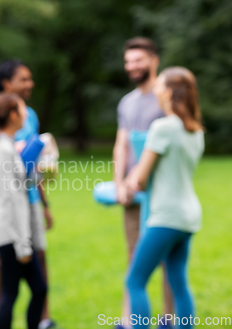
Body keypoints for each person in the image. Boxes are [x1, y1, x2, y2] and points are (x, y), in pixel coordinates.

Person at [0, 59, 56, 329]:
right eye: (24, 79)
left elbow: (26, 170)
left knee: (36, 271)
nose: (29, 84)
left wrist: (43, 198)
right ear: (7, 83)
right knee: (8, 276)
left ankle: (42, 321)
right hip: (7, 214)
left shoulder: (27, 116)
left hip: (26, 204)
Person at [126, 67, 204, 329]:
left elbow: (140, 179)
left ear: (170, 93)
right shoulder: (195, 130)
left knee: (135, 281)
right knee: (178, 283)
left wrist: (129, 182)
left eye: (160, 86)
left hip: (166, 217)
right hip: (188, 216)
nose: (156, 91)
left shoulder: (163, 127)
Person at [113, 37, 172, 329]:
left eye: (137, 60)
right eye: (128, 62)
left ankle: (170, 318)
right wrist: (119, 184)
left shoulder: (168, 96)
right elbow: (121, 145)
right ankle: (128, 321)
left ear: (153, 60)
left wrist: (138, 177)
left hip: (162, 193)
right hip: (132, 195)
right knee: (134, 255)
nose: (131, 67)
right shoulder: (127, 102)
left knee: (165, 258)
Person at [0, 92, 47, 329]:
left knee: (37, 290)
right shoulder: (3, 150)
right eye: (22, 110)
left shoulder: (6, 147)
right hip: (11, 234)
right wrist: (23, 245)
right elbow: (13, 200)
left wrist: (40, 170)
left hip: (13, 232)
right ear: (12, 115)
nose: (26, 115)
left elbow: (19, 183)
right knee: (12, 293)